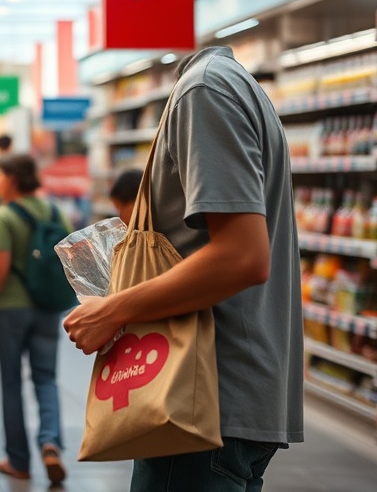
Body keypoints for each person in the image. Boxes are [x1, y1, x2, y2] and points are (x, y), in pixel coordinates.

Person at [64, 46, 304, 490]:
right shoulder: (233, 88)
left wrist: (112, 310)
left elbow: (242, 257)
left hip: (198, 398)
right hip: (229, 398)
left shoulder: (203, 91)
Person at [0, 153, 70, 485]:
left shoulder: (3, 216)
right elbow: (71, 252)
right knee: (46, 378)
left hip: (11, 310)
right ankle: (50, 442)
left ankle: (18, 461)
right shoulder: (54, 210)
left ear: (12, 179)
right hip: (47, 308)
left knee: (12, 383)